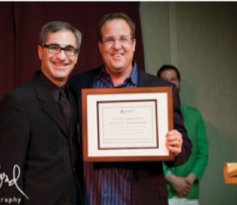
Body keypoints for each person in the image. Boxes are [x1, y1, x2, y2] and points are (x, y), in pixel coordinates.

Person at [68, 12, 192, 205]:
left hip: (142, 199)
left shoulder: (161, 90)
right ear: (100, 46)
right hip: (91, 199)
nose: (117, 46)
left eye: (123, 38)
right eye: (109, 39)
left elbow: (184, 146)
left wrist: (176, 146)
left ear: (133, 44)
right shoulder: (78, 85)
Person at [0, 21, 82, 205]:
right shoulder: (18, 102)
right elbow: (5, 178)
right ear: (40, 51)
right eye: (54, 47)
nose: (62, 56)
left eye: (69, 49)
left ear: (76, 55)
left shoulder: (74, 98)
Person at [157, 65, 209, 205]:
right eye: (164, 79)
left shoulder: (194, 115)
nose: (169, 82)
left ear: (179, 82)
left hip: (189, 190)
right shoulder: (153, 113)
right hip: (163, 191)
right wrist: (172, 179)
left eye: (173, 79)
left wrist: (189, 180)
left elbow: (202, 152)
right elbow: (152, 153)